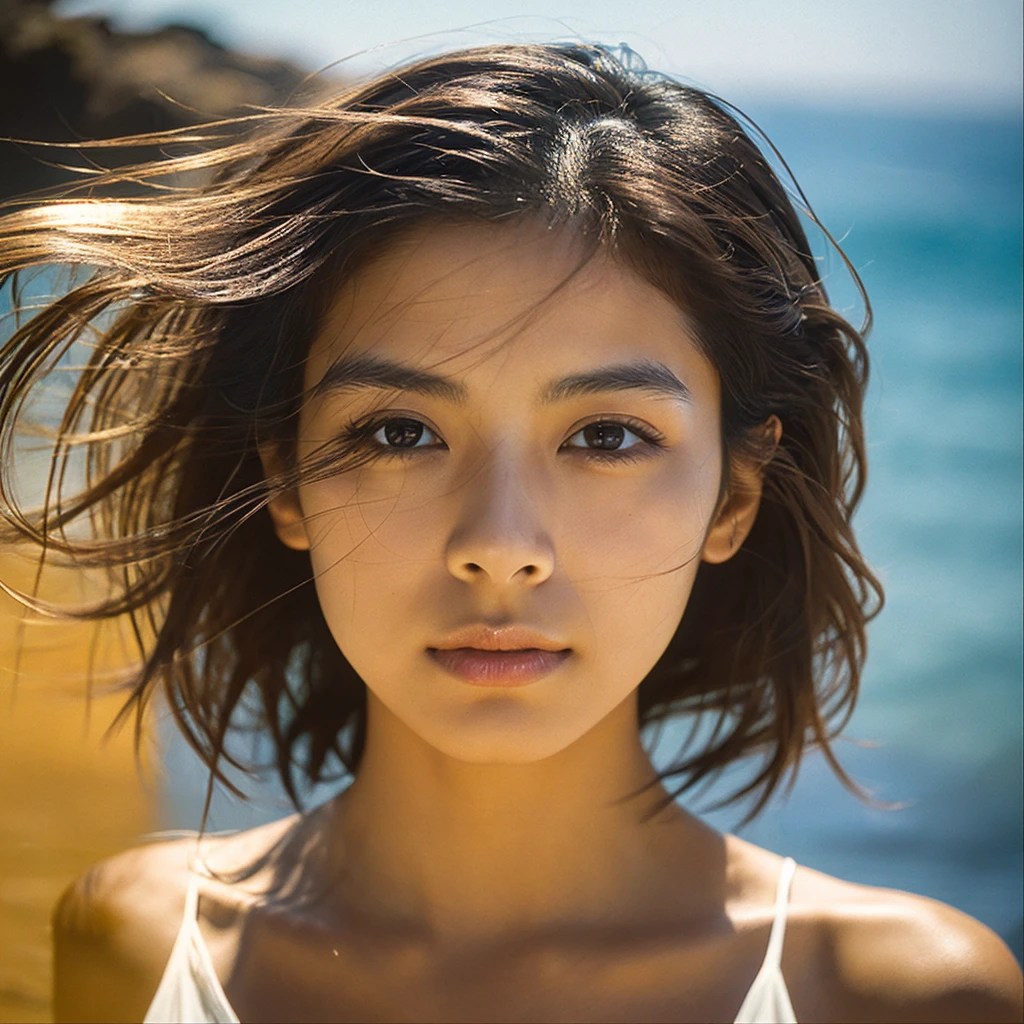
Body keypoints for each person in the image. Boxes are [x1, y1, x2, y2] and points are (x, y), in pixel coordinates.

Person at [0, 42, 1020, 1024]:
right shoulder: (135, 941)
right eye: (399, 432)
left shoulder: (901, 997)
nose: (497, 543)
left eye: (606, 435)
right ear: (286, 480)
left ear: (734, 495)